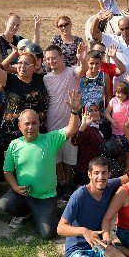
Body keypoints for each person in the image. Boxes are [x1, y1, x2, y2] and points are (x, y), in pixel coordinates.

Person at [0, 90, 81, 239]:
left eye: (34, 123)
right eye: (27, 124)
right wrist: (15, 187)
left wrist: (74, 110)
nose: (30, 127)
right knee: (3, 205)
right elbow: (7, 171)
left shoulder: (50, 139)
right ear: (20, 125)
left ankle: (46, 211)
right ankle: (26, 212)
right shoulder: (14, 145)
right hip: (22, 194)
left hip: (45, 196)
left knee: (48, 234)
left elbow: (72, 129)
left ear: (39, 124)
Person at [0, 38, 48, 148]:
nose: (22, 66)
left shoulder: (42, 79)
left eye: (26, 64)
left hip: (37, 133)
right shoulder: (10, 80)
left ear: (34, 67)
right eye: (19, 63)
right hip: (12, 134)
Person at [44, 43, 87, 199]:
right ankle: (59, 184)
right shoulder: (45, 78)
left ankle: (67, 185)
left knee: (69, 158)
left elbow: (82, 70)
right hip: (52, 122)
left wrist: (82, 59)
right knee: (56, 158)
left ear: (62, 57)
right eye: (48, 59)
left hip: (71, 121)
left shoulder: (71, 72)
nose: (51, 61)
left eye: (54, 58)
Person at [90, 12, 129, 90]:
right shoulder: (112, 40)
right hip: (116, 88)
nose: (125, 32)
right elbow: (94, 33)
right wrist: (97, 18)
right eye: (122, 29)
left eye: (127, 28)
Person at [104, 80, 129, 166]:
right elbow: (106, 112)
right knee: (116, 154)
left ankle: (128, 172)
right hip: (116, 132)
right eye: (118, 93)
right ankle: (118, 172)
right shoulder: (113, 100)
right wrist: (111, 120)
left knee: (128, 154)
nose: (120, 95)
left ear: (127, 94)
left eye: (123, 93)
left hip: (128, 133)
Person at [71, 105, 105, 185]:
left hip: (96, 168)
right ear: (84, 114)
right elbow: (75, 141)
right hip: (86, 172)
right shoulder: (86, 128)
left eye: (96, 110)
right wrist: (83, 126)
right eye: (91, 110)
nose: (95, 113)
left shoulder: (97, 127)